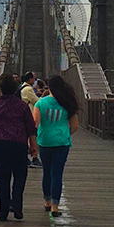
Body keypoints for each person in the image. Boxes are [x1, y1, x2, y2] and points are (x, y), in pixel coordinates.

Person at [0, 73, 37, 221]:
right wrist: (34, 146)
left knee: (3, 176)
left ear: (0, 90)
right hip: (18, 144)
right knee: (20, 175)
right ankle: (16, 205)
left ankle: (3, 211)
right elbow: (30, 128)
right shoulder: (22, 106)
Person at [33, 75, 79, 217]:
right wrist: (65, 133)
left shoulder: (40, 103)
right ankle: (55, 206)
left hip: (45, 141)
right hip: (61, 142)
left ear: (49, 87)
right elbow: (75, 126)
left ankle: (47, 201)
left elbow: (35, 123)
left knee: (46, 172)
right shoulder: (67, 103)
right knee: (57, 173)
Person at [19, 72, 42, 167]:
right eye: (34, 79)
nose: (35, 81)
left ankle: (26, 158)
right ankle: (34, 158)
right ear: (29, 79)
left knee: (26, 138)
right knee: (34, 137)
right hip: (30, 115)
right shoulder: (28, 89)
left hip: (24, 115)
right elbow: (37, 101)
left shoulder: (22, 87)